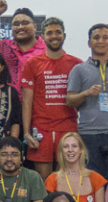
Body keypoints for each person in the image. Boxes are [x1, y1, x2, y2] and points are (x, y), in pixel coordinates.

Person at [63, 23, 108, 176]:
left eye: (105, 37)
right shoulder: (79, 69)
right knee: (92, 179)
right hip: (89, 134)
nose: (101, 41)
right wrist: (86, 93)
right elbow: (69, 100)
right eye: (96, 37)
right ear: (89, 43)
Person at [16, 16, 78, 172]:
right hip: (41, 130)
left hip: (68, 128)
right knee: (43, 182)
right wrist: (26, 133)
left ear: (64, 35)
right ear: (42, 37)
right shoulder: (33, 63)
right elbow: (27, 102)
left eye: (58, 32)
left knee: (66, 180)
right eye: (50, 33)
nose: (54, 36)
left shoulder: (77, 64)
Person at [44, 131, 106, 202]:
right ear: (61, 151)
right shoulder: (52, 180)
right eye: (66, 147)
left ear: (81, 150)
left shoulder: (96, 179)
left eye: (74, 146)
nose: (70, 150)